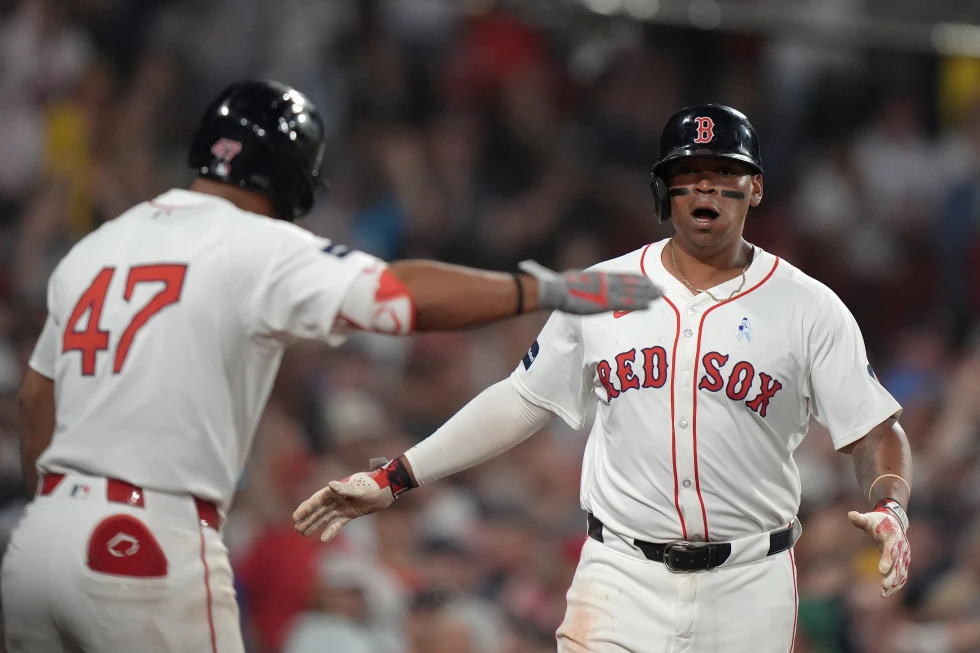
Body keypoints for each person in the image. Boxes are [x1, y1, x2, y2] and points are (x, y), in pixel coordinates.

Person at [0, 79, 662, 653]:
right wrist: (542, 290)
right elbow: (401, 297)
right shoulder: (255, 240)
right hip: (144, 538)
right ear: (289, 174)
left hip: (40, 544)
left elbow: (35, 403)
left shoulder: (99, 245)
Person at [294, 104, 914, 653]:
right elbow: (521, 399)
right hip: (621, 572)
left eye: (724, 173)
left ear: (754, 188)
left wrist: (890, 506)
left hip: (749, 584)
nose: (705, 187)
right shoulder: (603, 288)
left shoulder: (809, 306)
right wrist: (395, 477)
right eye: (686, 174)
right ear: (662, 192)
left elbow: (874, 430)